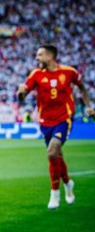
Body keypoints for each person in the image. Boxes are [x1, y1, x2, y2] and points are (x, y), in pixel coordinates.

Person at [17, 44, 93, 210]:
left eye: (40, 55)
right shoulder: (36, 74)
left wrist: (88, 106)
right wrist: (20, 92)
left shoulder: (69, 72)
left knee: (52, 152)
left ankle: (54, 193)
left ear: (50, 56)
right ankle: (68, 183)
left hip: (64, 118)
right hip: (45, 121)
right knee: (56, 155)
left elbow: (82, 87)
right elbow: (23, 96)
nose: (37, 58)